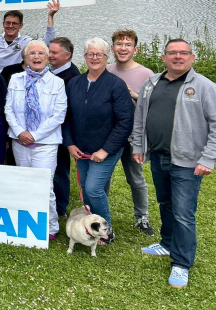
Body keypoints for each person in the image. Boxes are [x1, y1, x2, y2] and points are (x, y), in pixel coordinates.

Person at [133, 39, 216, 289]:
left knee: (183, 214)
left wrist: (208, 158)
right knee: (166, 203)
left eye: (183, 53)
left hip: (188, 163)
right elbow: (140, 117)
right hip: (159, 156)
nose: (177, 57)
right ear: (163, 57)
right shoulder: (152, 83)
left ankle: (181, 263)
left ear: (192, 57)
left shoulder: (204, 86)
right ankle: (167, 243)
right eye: (172, 53)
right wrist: (139, 145)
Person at [63, 38, 133, 245]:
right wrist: (70, 144)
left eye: (99, 54)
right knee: (85, 187)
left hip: (106, 150)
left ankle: (106, 231)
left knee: (93, 189)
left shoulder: (116, 85)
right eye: (90, 54)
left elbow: (125, 121)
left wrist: (105, 150)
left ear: (106, 57)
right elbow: (65, 116)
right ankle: (92, 225)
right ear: (84, 57)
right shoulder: (74, 83)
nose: (94, 58)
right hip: (80, 149)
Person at [5, 40, 67, 241]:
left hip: (45, 144)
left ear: (48, 58)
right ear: (25, 58)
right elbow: (9, 109)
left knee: (44, 186)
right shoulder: (15, 79)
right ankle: (27, 221)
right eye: (32, 53)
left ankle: (50, 226)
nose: (37, 56)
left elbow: (59, 115)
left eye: (41, 53)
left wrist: (35, 135)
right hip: (19, 141)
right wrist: (20, 131)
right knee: (24, 183)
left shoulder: (57, 83)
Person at [106, 29, 155, 236]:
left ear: (135, 49)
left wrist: (133, 94)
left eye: (127, 45)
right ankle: (100, 215)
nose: (123, 48)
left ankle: (141, 217)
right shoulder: (105, 69)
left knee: (135, 178)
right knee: (103, 178)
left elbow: (153, 105)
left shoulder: (146, 74)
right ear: (112, 48)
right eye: (119, 44)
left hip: (134, 135)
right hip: (109, 135)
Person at [48, 37, 81, 218]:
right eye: (49, 51)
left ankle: (60, 209)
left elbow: (69, 110)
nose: (49, 55)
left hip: (61, 131)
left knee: (60, 170)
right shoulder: (53, 71)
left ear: (67, 55)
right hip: (51, 130)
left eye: (54, 52)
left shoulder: (72, 77)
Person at [0, 0, 59, 73]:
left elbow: (49, 42)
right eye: (8, 23)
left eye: (14, 23)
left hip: (19, 81)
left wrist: (50, 16)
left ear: (21, 26)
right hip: (0, 82)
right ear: (3, 24)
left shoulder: (26, 42)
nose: (10, 26)